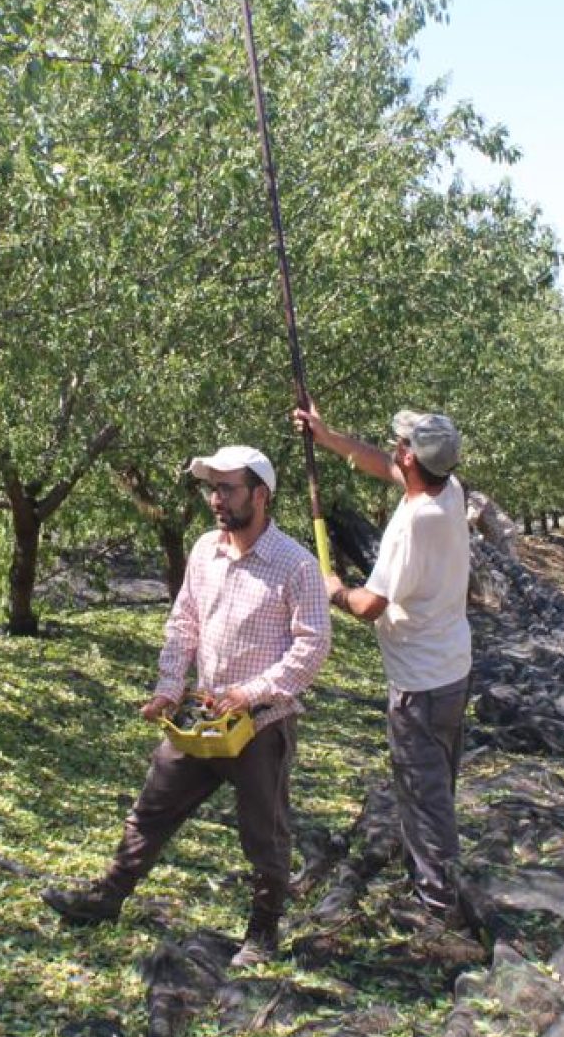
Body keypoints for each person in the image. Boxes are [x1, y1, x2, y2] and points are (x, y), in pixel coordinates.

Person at [41, 445, 331, 969]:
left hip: (260, 724)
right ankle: (108, 896)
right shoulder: (204, 551)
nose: (216, 500)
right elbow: (184, 623)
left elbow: (312, 647)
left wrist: (255, 690)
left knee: (264, 832)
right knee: (153, 807)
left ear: (260, 495)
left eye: (227, 489)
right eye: (211, 489)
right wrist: (170, 687)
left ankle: (261, 935)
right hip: (203, 714)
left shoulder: (295, 565)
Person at [292, 404, 473, 930]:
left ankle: (439, 907)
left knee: (424, 796)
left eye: (401, 445)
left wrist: (336, 591)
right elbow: (384, 467)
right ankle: (432, 876)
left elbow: (371, 604)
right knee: (437, 783)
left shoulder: (414, 525)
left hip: (419, 684)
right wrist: (328, 438)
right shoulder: (448, 490)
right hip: (451, 670)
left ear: (412, 457)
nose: (395, 450)